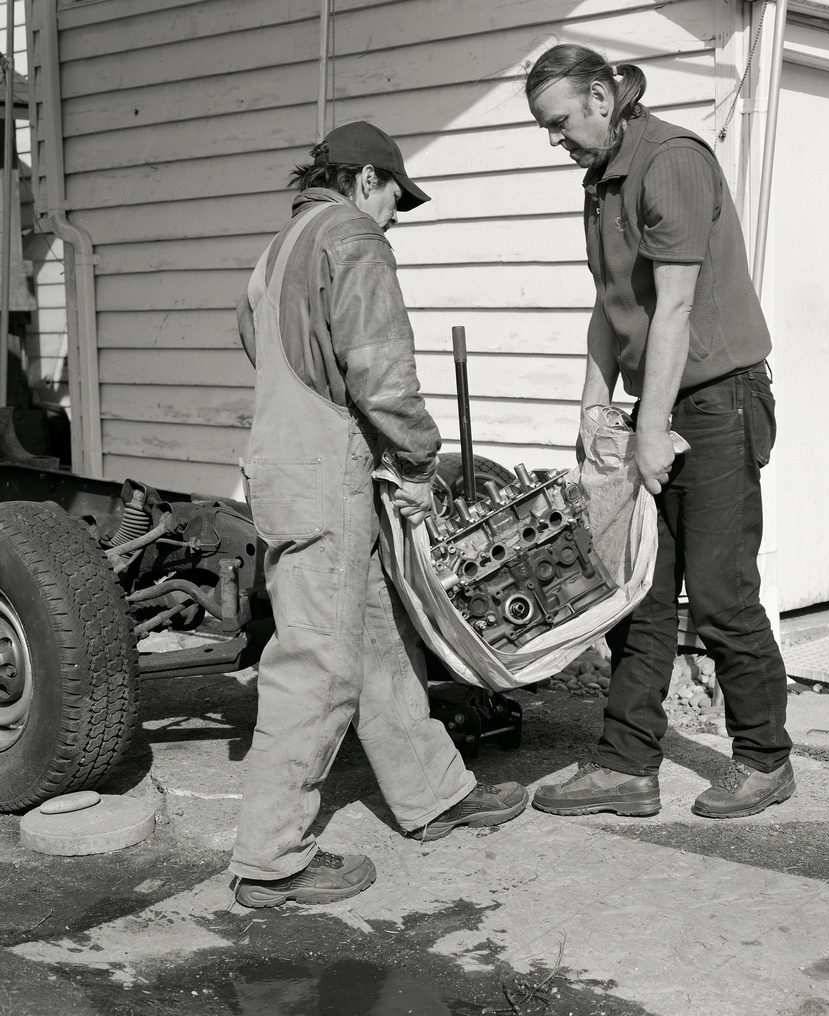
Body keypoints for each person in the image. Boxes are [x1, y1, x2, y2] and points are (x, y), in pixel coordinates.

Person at [229, 121, 527, 908]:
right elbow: (382, 374)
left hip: (288, 466)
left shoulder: (276, 252)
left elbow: (259, 348)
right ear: (366, 181)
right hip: (326, 472)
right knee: (317, 667)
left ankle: (434, 794)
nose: (395, 214)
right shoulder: (353, 236)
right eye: (397, 196)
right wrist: (420, 463)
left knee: (376, 640)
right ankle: (270, 860)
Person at [525, 46, 794, 819]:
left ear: (603, 97)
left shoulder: (670, 160)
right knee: (637, 594)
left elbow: (673, 309)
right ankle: (627, 765)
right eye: (547, 129)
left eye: (561, 122)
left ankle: (765, 759)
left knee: (718, 593)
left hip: (716, 402)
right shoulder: (600, 180)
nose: (557, 141)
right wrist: (590, 407)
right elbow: (613, 306)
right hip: (661, 405)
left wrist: (649, 428)